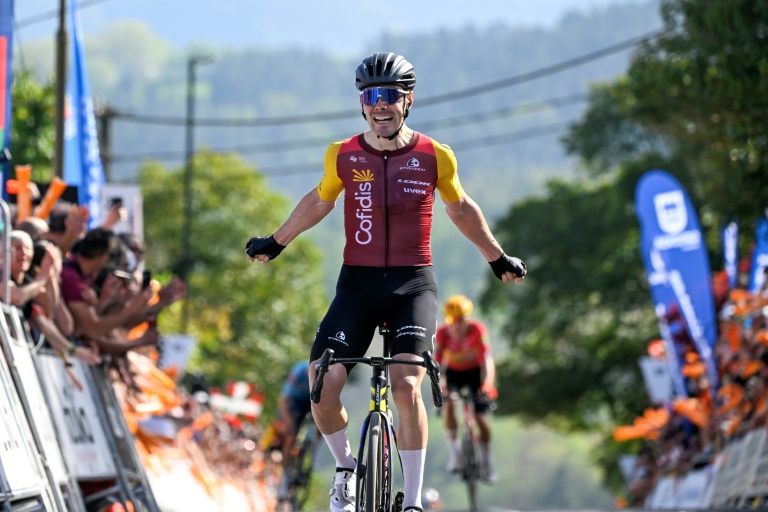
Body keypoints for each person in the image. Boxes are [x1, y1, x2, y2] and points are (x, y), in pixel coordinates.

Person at [245, 51, 526, 512]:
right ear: (362, 102)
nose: (380, 105)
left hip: (412, 285)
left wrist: (496, 257)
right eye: (371, 96)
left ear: (407, 100)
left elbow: (460, 208)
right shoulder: (343, 154)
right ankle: (346, 469)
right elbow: (319, 202)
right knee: (321, 379)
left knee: (406, 384)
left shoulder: (435, 155)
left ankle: (412, 500)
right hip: (356, 285)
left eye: (390, 96)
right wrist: (277, 241)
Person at [435, 294, 498, 483]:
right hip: (454, 373)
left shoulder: (477, 329)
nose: (456, 325)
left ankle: (487, 460)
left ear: (467, 319)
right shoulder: (443, 333)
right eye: (452, 321)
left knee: (480, 417)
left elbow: (487, 360)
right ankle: (454, 453)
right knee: (450, 403)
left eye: (460, 320)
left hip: (475, 373)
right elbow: (437, 366)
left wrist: (487, 385)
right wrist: (440, 388)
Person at [273, 360, 313, 504]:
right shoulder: (300, 371)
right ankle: (285, 475)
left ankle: (310, 452)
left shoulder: (327, 374)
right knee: (291, 433)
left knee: (321, 424)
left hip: (312, 402)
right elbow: (283, 400)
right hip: (295, 400)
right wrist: (288, 421)